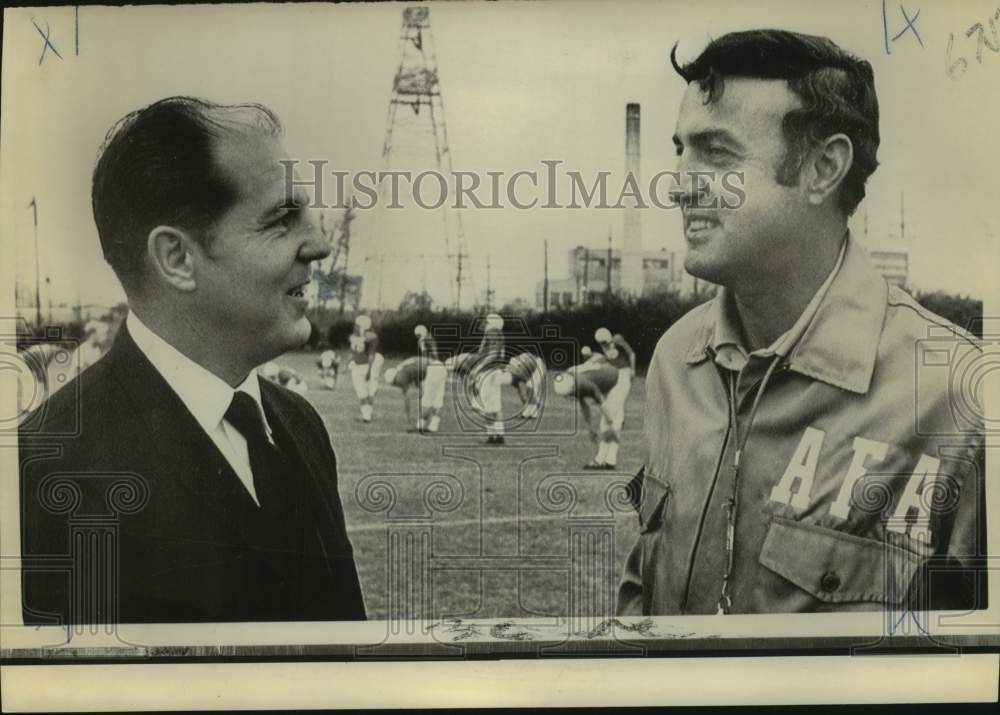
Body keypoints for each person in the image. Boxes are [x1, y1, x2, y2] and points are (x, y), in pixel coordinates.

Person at [617, 30, 985, 615]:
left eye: (716, 152)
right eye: (680, 149)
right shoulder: (675, 359)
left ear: (823, 168)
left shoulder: (958, 396)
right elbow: (642, 597)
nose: (680, 182)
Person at [18, 96, 366, 624]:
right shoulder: (47, 470)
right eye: (281, 219)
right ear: (177, 259)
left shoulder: (301, 426)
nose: (319, 244)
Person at [552, 363, 622, 470]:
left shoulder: (583, 383)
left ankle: (603, 461)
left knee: (610, 423)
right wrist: (590, 428)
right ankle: (607, 461)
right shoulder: (571, 379)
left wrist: (610, 419)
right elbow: (584, 406)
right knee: (609, 424)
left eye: (569, 394)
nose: (569, 397)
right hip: (607, 380)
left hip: (616, 381)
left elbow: (601, 402)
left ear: (572, 388)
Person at [468, 313, 506, 444]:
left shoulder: (492, 333)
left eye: (487, 322)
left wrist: (479, 367)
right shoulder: (498, 334)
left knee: (485, 406)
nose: (485, 324)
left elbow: (493, 353)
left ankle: (492, 435)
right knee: (495, 406)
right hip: (495, 370)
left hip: (489, 372)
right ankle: (499, 434)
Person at [349, 314, 383, 423]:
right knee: (366, 392)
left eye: (357, 325)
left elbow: (370, 355)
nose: (355, 327)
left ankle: (366, 416)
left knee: (364, 392)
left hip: (362, 366)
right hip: (362, 366)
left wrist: (369, 370)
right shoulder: (371, 336)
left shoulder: (358, 337)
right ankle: (367, 415)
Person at [414, 324, 447, 433]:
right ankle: (433, 426)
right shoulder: (430, 338)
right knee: (438, 400)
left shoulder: (423, 340)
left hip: (432, 368)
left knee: (427, 398)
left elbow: (426, 357)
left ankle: (421, 425)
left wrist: (421, 377)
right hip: (441, 367)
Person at [384, 356, 426, 431]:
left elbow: (407, 397)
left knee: (428, 399)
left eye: (395, 383)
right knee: (428, 398)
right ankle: (429, 424)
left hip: (430, 368)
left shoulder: (401, 376)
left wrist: (408, 417)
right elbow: (416, 376)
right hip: (430, 366)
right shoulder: (402, 369)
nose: (397, 385)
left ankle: (422, 424)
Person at [506, 351, 546, 419]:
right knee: (526, 391)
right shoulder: (512, 371)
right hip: (529, 368)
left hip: (538, 365)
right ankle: (530, 409)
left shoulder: (516, 367)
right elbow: (519, 388)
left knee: (530, 387)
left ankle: (533, 413)